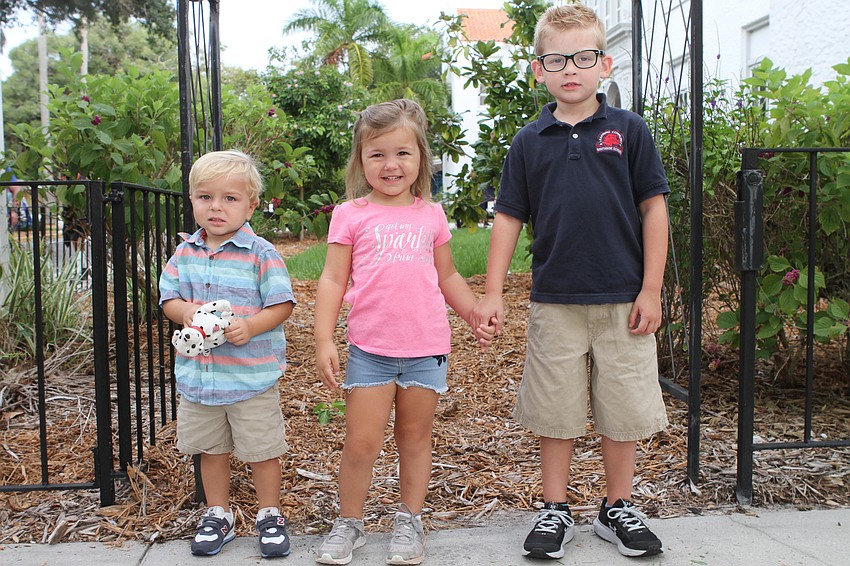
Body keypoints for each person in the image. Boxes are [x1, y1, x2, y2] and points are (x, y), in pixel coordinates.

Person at [472, 3, 670, 560]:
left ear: (605, 64)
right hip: (555, 300)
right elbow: (508, 217)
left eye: (583, 58)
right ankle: (554, 508)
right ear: (539, 70)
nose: (570, 70)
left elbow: (654, 210)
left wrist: (651, 289)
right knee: (555, 410)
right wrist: (492, 291)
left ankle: (617, 507)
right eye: (556, 60)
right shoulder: (529, 140)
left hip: (624, 298)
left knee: (623, 410)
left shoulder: (629, 131)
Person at [313, 99, 495, 565]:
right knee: (361, 443)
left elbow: (447, 275)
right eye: (377, 154)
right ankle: (349, 523)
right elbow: (332, 278)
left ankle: (409, 520)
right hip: (370, 350)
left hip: (426, 349)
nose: (390, 164)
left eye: (402, 153)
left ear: (421, 159)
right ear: (360, 160)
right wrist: (323, 338)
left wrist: (473, 312)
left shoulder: (431, 214)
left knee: (414, 439)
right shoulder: (350, 214)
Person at [159, 150, 296, 558]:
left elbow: (282, 304)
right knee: (211, 450)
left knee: (261, 450)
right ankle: (217, 514)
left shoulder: (261, 254)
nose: (216, 207)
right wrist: (186, 312)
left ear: (251, 206)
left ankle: (269, 514)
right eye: (206, 197)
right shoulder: (184, 253)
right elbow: (169, 298)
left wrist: (251, 326)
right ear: (192, 200)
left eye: (229, 198)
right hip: (201, 379)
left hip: (249, 377)